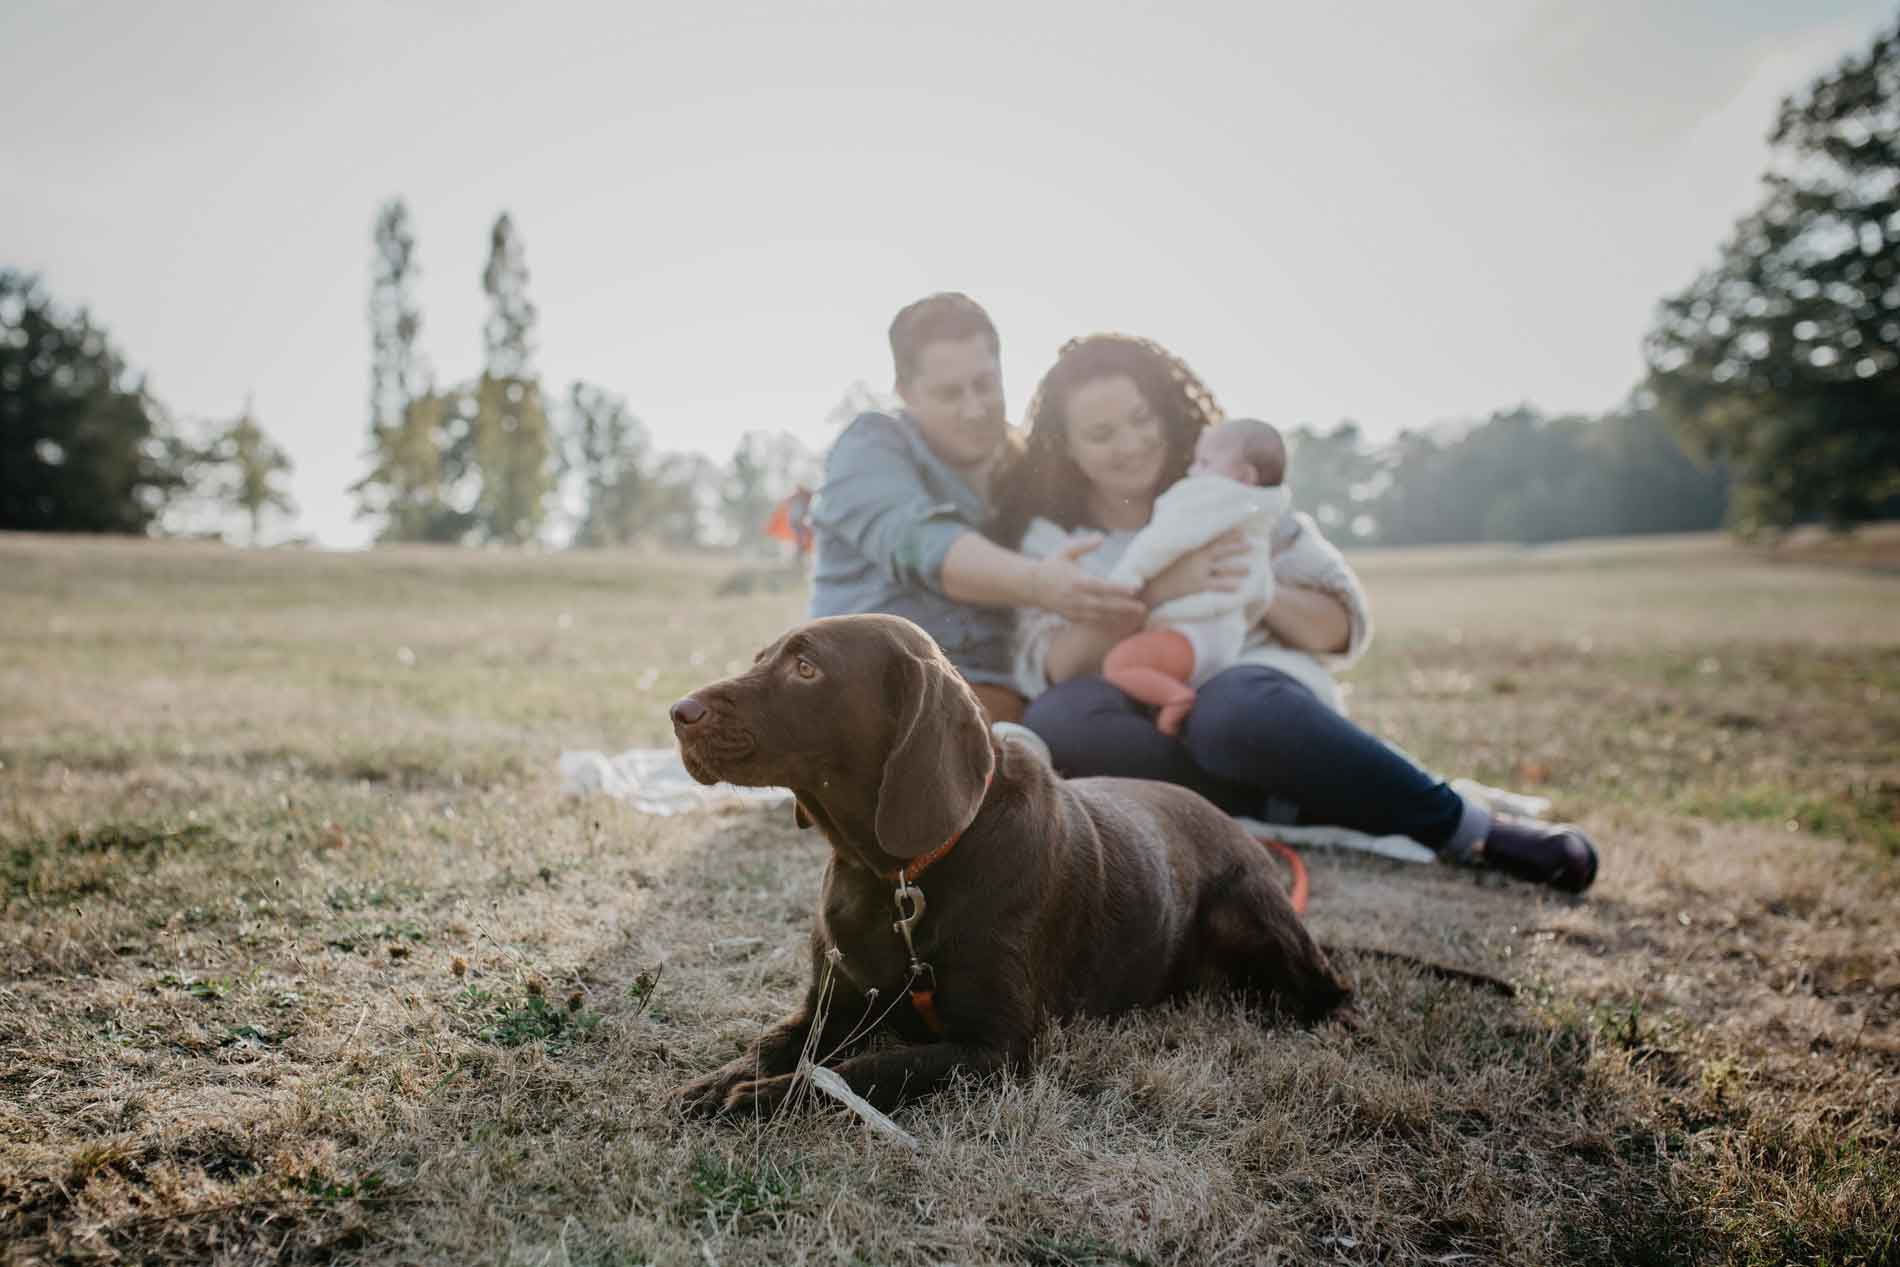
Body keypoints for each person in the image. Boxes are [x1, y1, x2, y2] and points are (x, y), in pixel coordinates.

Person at [990, 333, 1598, 893]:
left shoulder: (1239, 494)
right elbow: (1054, 662)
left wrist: (1254, 587)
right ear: (1064, 447)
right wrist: (1160, 589)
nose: (1130, 444)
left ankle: (1466, 828)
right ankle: (1280, 801)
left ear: (1166, 413)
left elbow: (1341, 622)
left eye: (1140, 420)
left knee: (1229, 714)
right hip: (1149, 720)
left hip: (1257, 703)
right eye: (1100, 434)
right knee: (1061, 720)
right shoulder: (1052, 536)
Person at [808, 293, 1146, 725]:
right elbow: (922, 545)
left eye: (985, 385)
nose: (974, 409)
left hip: (1004, 697)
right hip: (874, 685)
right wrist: (1040, 583)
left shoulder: (1031, 464)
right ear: (906, 393)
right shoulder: (870, 446)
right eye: (950, 393)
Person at [1101, 418, 1288, 736]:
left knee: (1119, 664)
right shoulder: (1260, 515)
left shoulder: (1208, 497)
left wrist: (1125, 578)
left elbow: (1162, 541)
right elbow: (1262, 591)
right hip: (1226, 637)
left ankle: (1175, 697)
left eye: (1204, 463)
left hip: (1191, 630)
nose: (1193, 472)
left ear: (1243, 476)